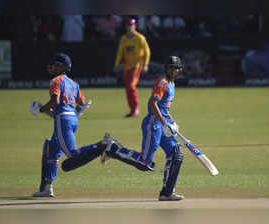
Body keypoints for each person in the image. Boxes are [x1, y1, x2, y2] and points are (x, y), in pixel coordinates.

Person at [102, 56, 184, 201]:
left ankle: (167, 192)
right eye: (170, 67)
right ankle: (112, 148)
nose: (173, 70)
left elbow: (164, 108)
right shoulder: (163, 82)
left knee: (176, 153)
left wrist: (172, 121)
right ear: (166, 68)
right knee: (145, 162)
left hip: (162, 123)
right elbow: (153, 104)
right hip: (153, 124)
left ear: (179, 70)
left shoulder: (172, 84)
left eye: (176, 68)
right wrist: (165, 123)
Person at [29, 53, 113, 197]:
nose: (52, 67)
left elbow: (55, 102)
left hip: (63, 120)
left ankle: (104, 145)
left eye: (55, 65)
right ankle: (47, 188)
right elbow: (82, 104)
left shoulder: (55, 81)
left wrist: (40, 109)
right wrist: (73, 111)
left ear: (62, 67)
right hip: (72, 119)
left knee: (72, 155)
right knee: (53, 151)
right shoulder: (74, 84)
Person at [113, 18, 151, 117]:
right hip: (127, 66)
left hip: (136, 66)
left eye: (132, 25)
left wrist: (145, 64)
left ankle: (135, 109)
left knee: (131, 86)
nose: (130, 27)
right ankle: (132, 109)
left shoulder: (140, 38)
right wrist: (117, 64)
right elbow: (120, 52)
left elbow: (147, 51)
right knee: (128, 88)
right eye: (128, 25)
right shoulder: (124, 39)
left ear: (135, 26)